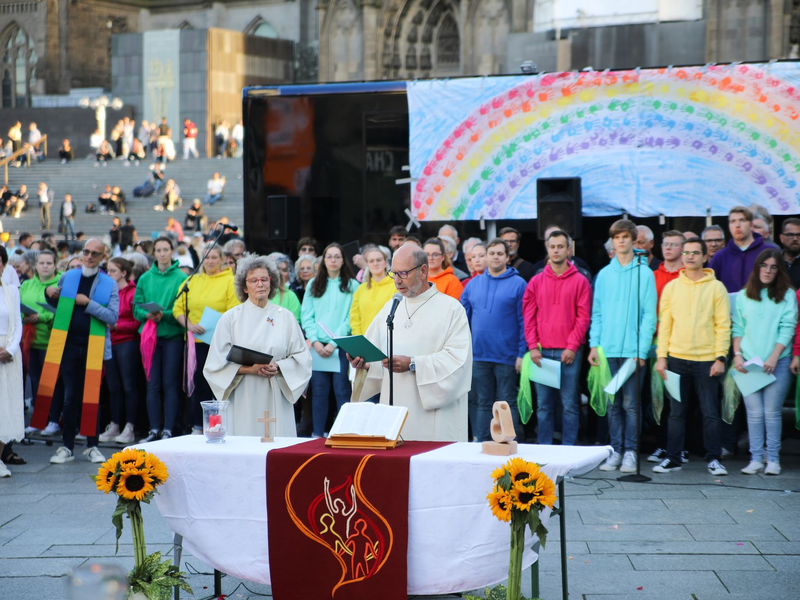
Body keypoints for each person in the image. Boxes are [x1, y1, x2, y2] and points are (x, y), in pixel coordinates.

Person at [349, 243, 472, 441]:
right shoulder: (392, 307)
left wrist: (414, 364)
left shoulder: (451, 309)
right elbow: (375, 355)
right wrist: (362, 363)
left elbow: (458, 361)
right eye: (394, 273)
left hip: (434, 415)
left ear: (423, 270)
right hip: (394, 409)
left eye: (403, 273)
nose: (397, 281)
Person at [205, 254, 312, 435]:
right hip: (244, 393)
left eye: (264, 279)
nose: (260, 284)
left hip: (276, 391)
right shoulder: (230, 318)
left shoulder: (285, 317)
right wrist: (250, 369)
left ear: (272, 282)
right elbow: (215, 365)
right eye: (253, 280)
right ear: (244, 287)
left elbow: (302, 357)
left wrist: (278, 366)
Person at [654, 238, 731, 476]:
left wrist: (721, 357)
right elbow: (665, 325)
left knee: (709, 412)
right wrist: (661, 356)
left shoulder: (716, 287)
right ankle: (673, 458)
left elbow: (723, 325)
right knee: (676, 412)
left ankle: (714, 459)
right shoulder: (672, 288)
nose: (689, 257)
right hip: (676, 358)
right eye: (686, 252)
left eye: (695, 253)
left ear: (704, 257)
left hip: (708, 360)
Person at [41, 239, 118, 465]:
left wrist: (88, 303)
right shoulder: (69, 276)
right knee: (70, 396)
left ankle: (92, 445)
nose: (89, 256)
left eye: (95, 253)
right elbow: (58, 305)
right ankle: (67, 446)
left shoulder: (108, 283)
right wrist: (49, 292)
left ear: (103, 257)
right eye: (86, 252)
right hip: (68, 345)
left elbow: (112, 317)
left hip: (94, 345)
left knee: (92, 396)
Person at [590, 220, 657, 473]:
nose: (620, 241)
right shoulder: (605, 275)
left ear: (632, 239)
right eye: (616, 237)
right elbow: (596, 313)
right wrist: (594, 345)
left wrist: (641, 350)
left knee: (631, 404)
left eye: (625, 237)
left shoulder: (644, 273)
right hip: (608, 350)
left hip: (632, 351)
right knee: (612, 404)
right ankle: (615, 450)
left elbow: (649, 316)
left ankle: (630, 451)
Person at [523, 230, 592, 446]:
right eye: (552, 246)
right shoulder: (535, 281)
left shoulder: (580, 281)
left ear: (569, 250)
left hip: (568, 353)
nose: (556, 250)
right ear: (547, 248)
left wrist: (572, 346)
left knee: (569, 405)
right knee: (543, 406)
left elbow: (583, 317)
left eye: (561, 246)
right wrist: (533, 347)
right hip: (542, 353)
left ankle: (568, 452)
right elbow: (528, 316)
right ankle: (545, 452)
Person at [733, 249, 797, 477]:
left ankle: (773, 459)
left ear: (779, 270)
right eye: (764, 266)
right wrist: (737, 354)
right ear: (757, 267)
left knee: (771, 412)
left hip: (777, 362)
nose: (768, 271)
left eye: (773, 267)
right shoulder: (744, 295)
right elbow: (738, 328)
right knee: (754, 413)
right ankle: (755, 458)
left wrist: (774, 355)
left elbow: (788, 327)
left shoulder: (787, 295)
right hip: (749, 362)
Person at [461, 238, 527, 441]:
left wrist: (521, 354)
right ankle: (480, 444)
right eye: (492, 253)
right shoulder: (473, 285)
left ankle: (509, 443)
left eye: (500, 253)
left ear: (507, 257)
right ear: (486, 257)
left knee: (506, 402)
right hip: (479, 354)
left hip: (507, 355)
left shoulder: (519, 284)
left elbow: (524, 321)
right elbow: (461, 320)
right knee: (483, 402)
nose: (495, 257)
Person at [173, 245, 239, 433]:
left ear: (222, 260)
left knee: (218, 386)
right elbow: (177, 307)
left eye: (214, 257)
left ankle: (218, 425)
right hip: (197, 343)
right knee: (199, 385)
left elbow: (234, 311)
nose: (210, 261)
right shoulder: (192, 280)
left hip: (219, 344)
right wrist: (189, 325)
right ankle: (198, 426)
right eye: (206, 257)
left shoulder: (229, 281)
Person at [133, 237, 187, 442]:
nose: (162, 253)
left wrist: (164, 315)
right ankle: (154, 429)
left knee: (170, 384)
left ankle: (169, 429)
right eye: (159, 250)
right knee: (152, 384)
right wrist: (147, 314)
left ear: (172, 251)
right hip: (150, 338)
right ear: (154, 253)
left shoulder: (181, 277)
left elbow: (183, 307)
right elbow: (136, 306)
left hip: (172, 336)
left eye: (166, 249)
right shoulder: (145, 278)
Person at [301, 243, 359, 437]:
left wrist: (334, 343)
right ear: (323, 260)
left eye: (337, 256)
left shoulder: (352, 285)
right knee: (318, 392)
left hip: (340, 346)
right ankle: (318, 433)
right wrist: (315, 341)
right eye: (329, 257)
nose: (333, 260)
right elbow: (306, 316)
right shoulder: (313, 284)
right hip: (317, 346)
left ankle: (344, 433)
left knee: (342, 390)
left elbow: (351, 317)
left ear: (343, 260)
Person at [98, 258, 140, 445]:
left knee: (129, 386)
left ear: (124, 273)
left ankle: (130, 427)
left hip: (127, 343)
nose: (109, 274)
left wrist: (116, 326)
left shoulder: (133, 292)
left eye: (113, 271)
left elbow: (137, 321)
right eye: (108, 270)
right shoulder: (106, 291)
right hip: (108, 342)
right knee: (113, 387)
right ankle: (114, 424)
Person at [20, 251, 62, 436]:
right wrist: (26, 316)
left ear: (55, 265)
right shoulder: (27, 284)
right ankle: (39, 420)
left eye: (49, 263)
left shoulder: (61, 283)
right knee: (36, 381)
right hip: (31, 340)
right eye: (41, 263)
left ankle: (54, 420)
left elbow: (63, 310)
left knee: (52, 383)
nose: (45, 266)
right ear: (35, 265)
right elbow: (16, 306)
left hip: (53, 340)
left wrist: (42, 316)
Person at [710, 206, 778, 293]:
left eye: (742, 220)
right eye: (733, 221)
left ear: (751, 225)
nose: (737, 225)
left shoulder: (770, 252)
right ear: (729, 226)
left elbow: (780, 284)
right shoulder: (720, 257)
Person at [0, 246, 23, 478]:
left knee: (5, 406)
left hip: (7, 352)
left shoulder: (12, 291)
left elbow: (17, 322)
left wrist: (11, 348)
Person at [350, 245, 395, 337]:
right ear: (367, 264)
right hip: (365, 342)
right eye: (371, 261)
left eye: (378, 260)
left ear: (386, 263)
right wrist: (359, 338)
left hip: (388, 341)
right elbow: (355, 317)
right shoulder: (361, 289)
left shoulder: (396, 286)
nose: (375, 263)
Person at [267, 252, 303, 322]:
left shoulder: (291, 294)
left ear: (290, 273)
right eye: (277, 270)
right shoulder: (263, 292)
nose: (280, 273)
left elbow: (295, 321)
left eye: (284, 270)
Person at [779, 218, 800, 289]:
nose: (795, 239)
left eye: (799, 235)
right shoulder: (774, 261)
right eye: (790, 234)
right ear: (781, 238)